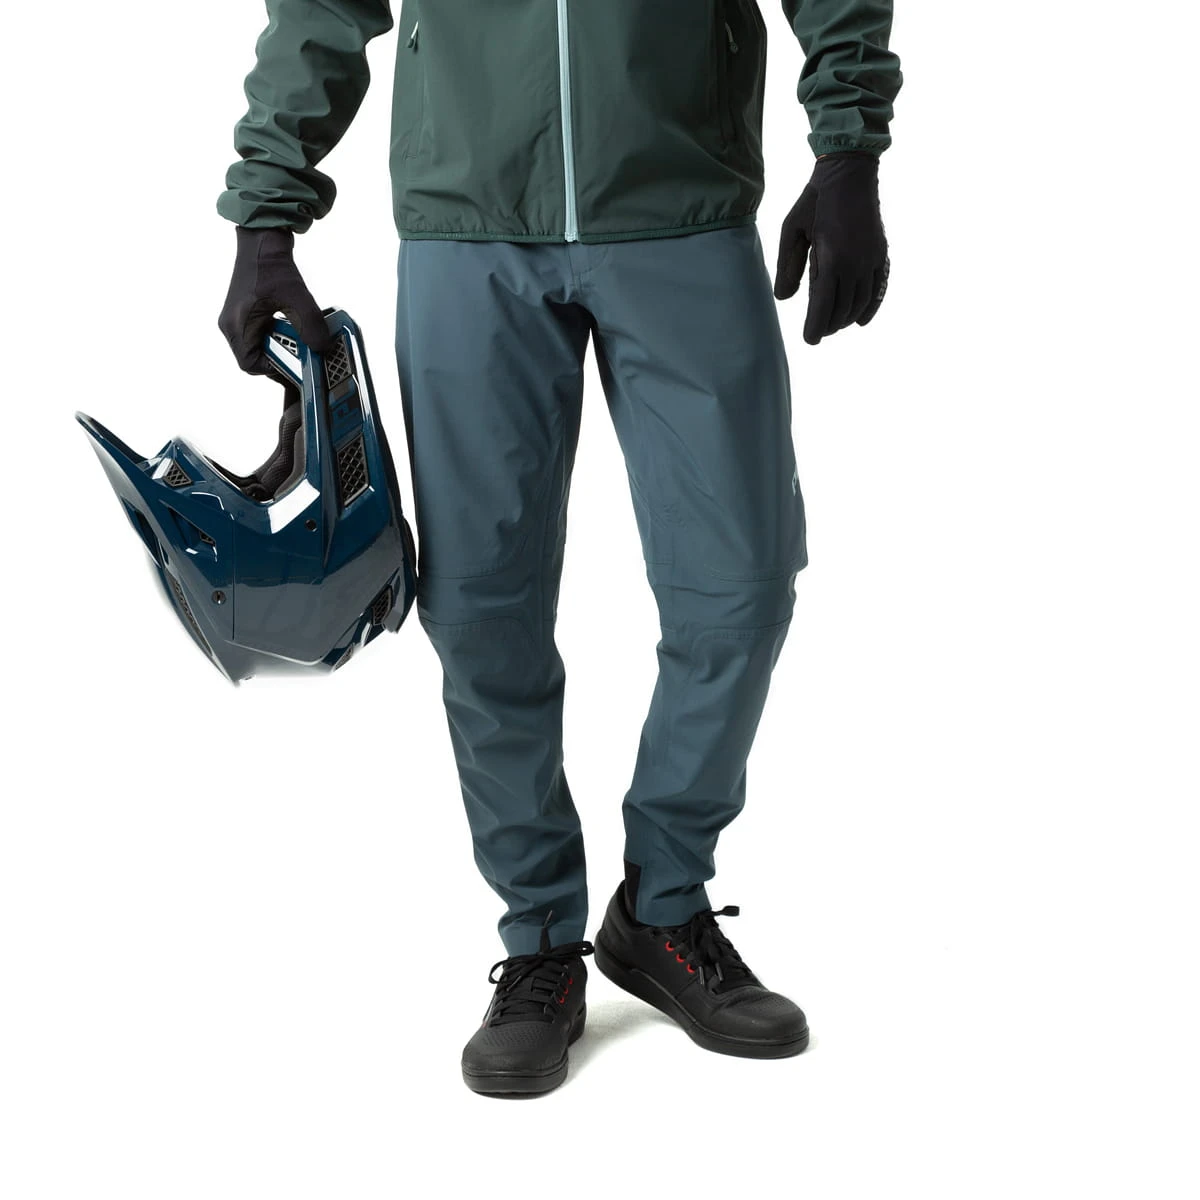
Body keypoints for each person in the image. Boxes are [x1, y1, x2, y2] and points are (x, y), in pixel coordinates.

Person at [217, 0, 902, 1097]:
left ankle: (663, 910)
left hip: (680, 199)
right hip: (469, 217)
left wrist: (848, 151)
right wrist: (266, 216)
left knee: (742, 586)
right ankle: (539, 937)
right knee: (480, 608)